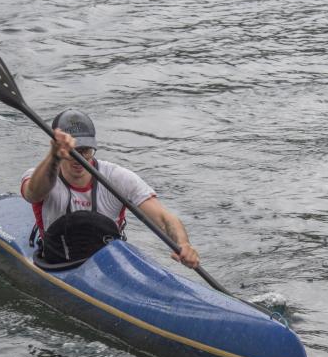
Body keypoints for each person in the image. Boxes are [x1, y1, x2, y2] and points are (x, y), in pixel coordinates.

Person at [21, 108, 200, 269]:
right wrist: (53, 158)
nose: (80, 158)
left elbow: (163, 218)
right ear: (57, 149)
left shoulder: (117, 177)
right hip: (58, 260)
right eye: (73, 151)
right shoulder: (40, 176)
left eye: (86, 150)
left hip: (110, 265)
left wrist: (183, 244)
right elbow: (33, 194)